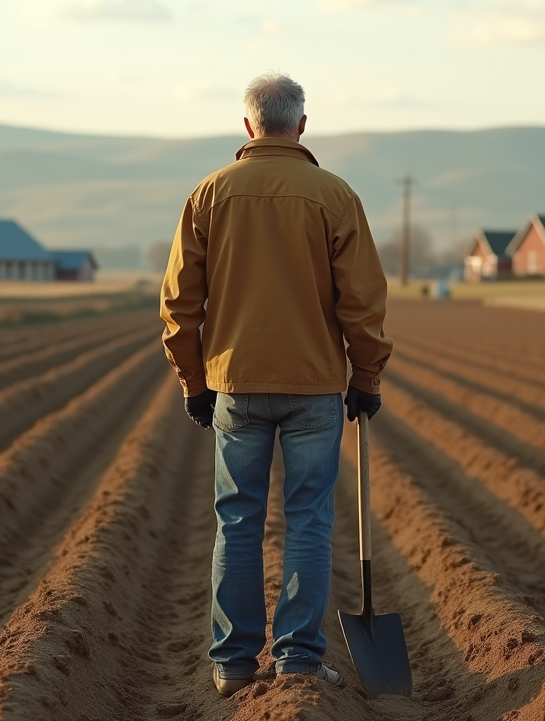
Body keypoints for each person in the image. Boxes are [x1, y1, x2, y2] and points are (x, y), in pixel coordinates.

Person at [160, 72, 392, 698]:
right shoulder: (334, 196)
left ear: (247, 127)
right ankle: (298, 660)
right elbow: (364, 302)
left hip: (235, 381)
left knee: (237, 519)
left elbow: (179, 305)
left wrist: (194, 382)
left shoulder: (209, 195)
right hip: (315, 386)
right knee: (310, 520)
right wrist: (365, 378)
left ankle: (233, 664)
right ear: (302, 125)